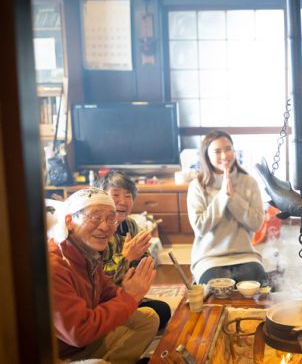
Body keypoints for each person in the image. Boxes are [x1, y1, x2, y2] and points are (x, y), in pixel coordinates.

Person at [48, 187, 159, 363]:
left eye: (111, 219)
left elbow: (107, 292)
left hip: (83, 346)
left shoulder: (87, 252)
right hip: (57, 355)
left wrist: (132, 292)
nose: (105, 226)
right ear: (69, 221)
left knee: (148, 318)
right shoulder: (53, 265)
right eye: (96, 218)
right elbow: (78, 333)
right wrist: (129, 297)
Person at [188, 129, 267, 285]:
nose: (224, 156)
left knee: (259, 283)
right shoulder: (197, 186)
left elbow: (257, 224)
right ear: (207, 156)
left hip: (245, 255)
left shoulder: (249, 182)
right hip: (209, 258)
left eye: (228, 149)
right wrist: (223, 196)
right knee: (214, 291)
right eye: (217, 151)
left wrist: (233, 198)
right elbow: (199, 228)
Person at [95, 171, 171, 331]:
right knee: (147, 319)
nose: (122, 201)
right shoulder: (96, 230)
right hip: (101, 302)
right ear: (102, 197)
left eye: (128, 196)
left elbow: (144, 260)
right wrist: (125, 257)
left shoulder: (130, 224)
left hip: (126, 294)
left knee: (162, 311)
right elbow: (97, 278)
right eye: (115, 194)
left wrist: (144, 263)